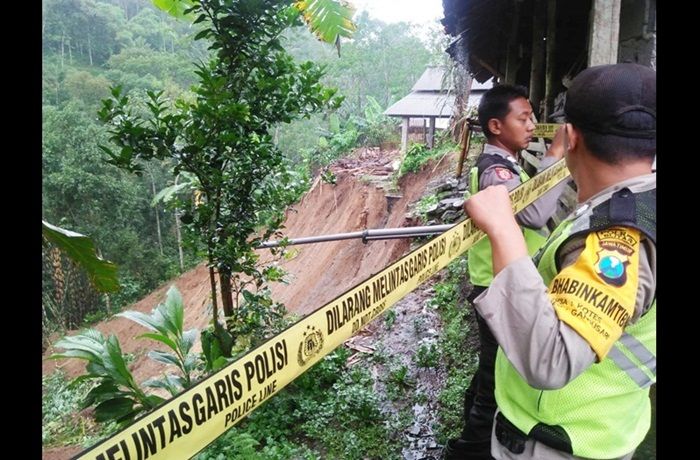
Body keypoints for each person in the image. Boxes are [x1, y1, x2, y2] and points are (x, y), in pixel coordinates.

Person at [463, 62, 656, 459]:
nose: (532, 125)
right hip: (606, 429)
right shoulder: (637, 205)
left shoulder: (617, 238)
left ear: (569, 137)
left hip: (561, 440)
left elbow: (550, 360)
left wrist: (503, 229)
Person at [446, 85, 568, 460]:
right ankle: (468, 451)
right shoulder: (495, 170)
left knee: (492, 366)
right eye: (523, 118)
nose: (532, 124)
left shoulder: (506, 164)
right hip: (496, 286)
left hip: (499, 282)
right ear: (496, 126)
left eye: (533, 117)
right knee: (493, 382)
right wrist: (557, 155)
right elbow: (531, 214)